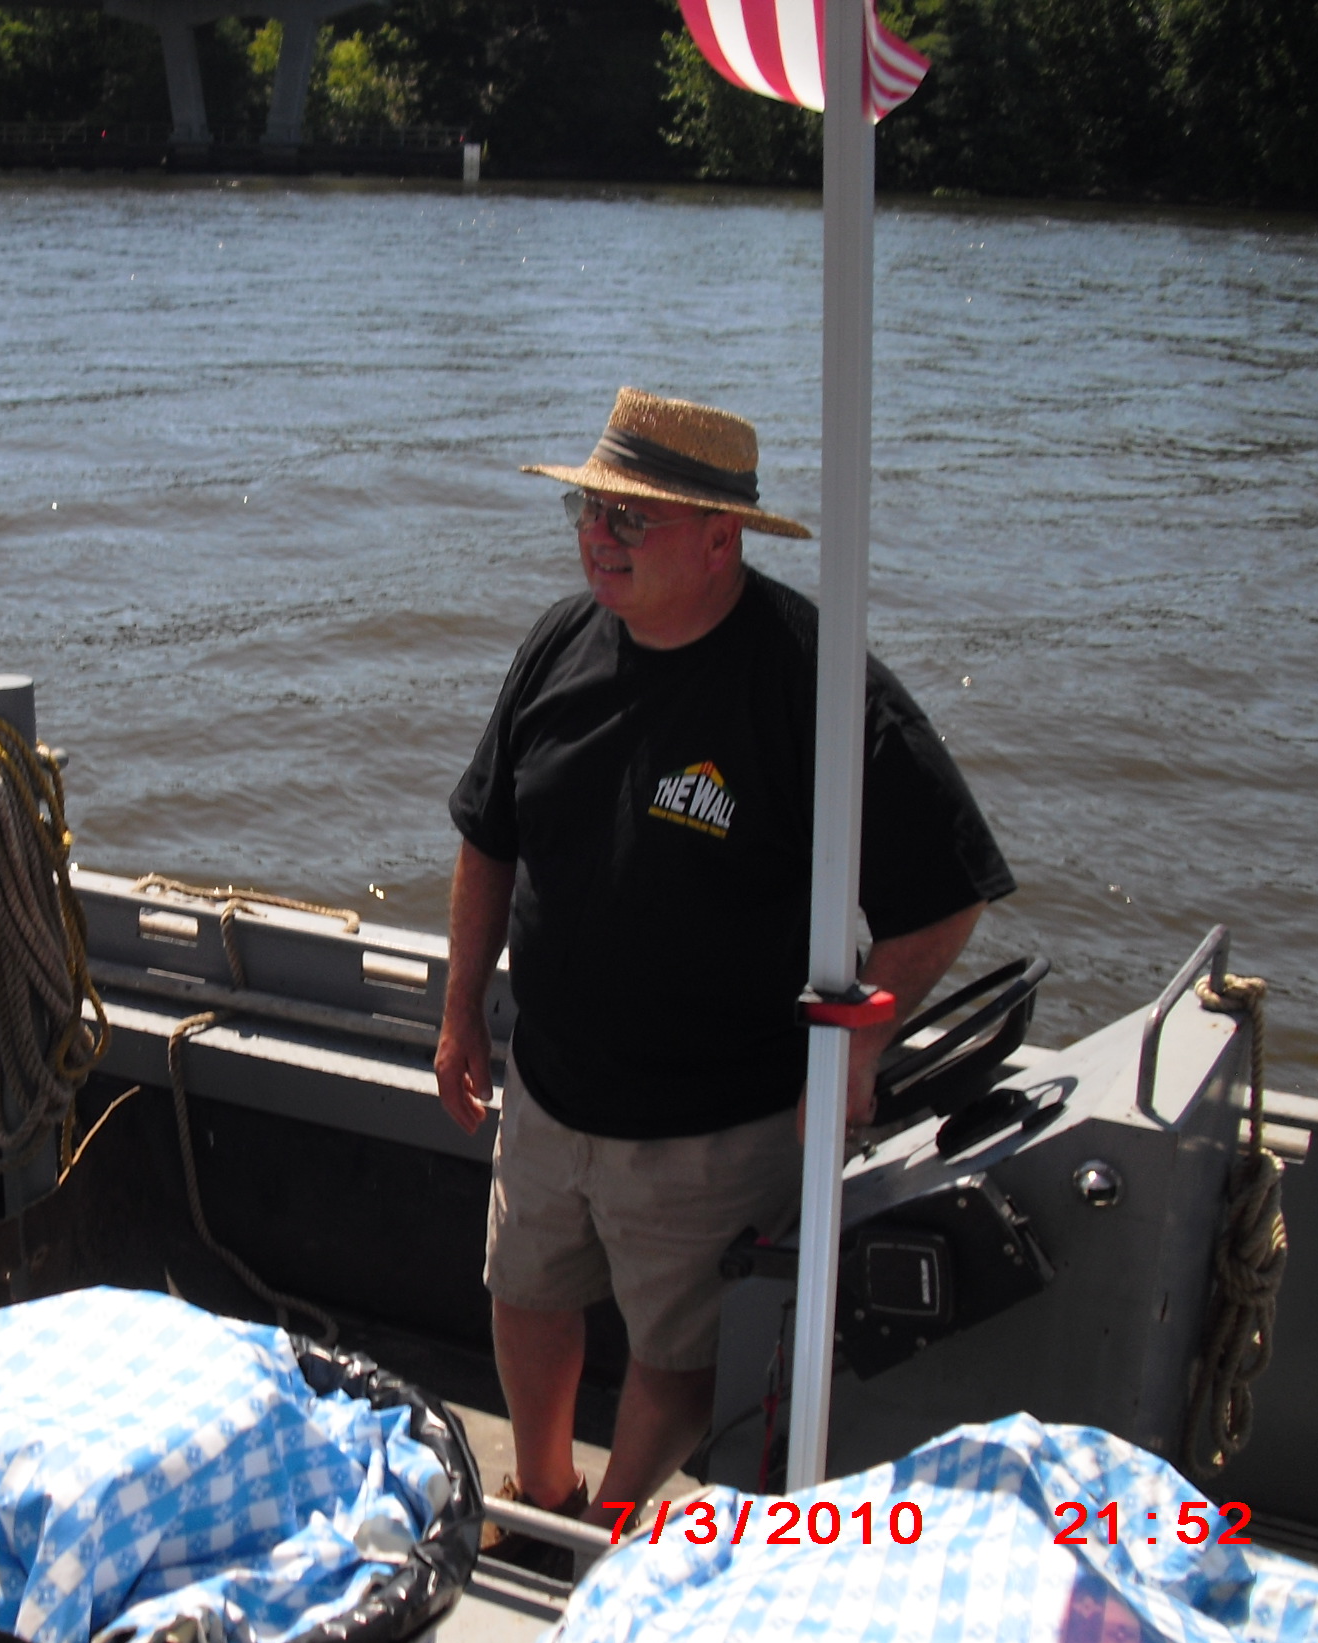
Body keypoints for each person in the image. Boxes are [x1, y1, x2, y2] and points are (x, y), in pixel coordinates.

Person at [435, 387, 1015, 1570]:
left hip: (716, 1127)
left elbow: (947, 893)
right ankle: (539, 1491)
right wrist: (458, 1017)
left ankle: (616, 1519)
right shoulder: (556, 642)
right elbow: (487, 837)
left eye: (632, 519)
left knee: (681, 1349)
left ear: (721, 536)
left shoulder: (815, 681)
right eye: (592, 510)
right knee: (523, 1291)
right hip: (545, 1089)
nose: (600, 537)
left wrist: (854, 1044)